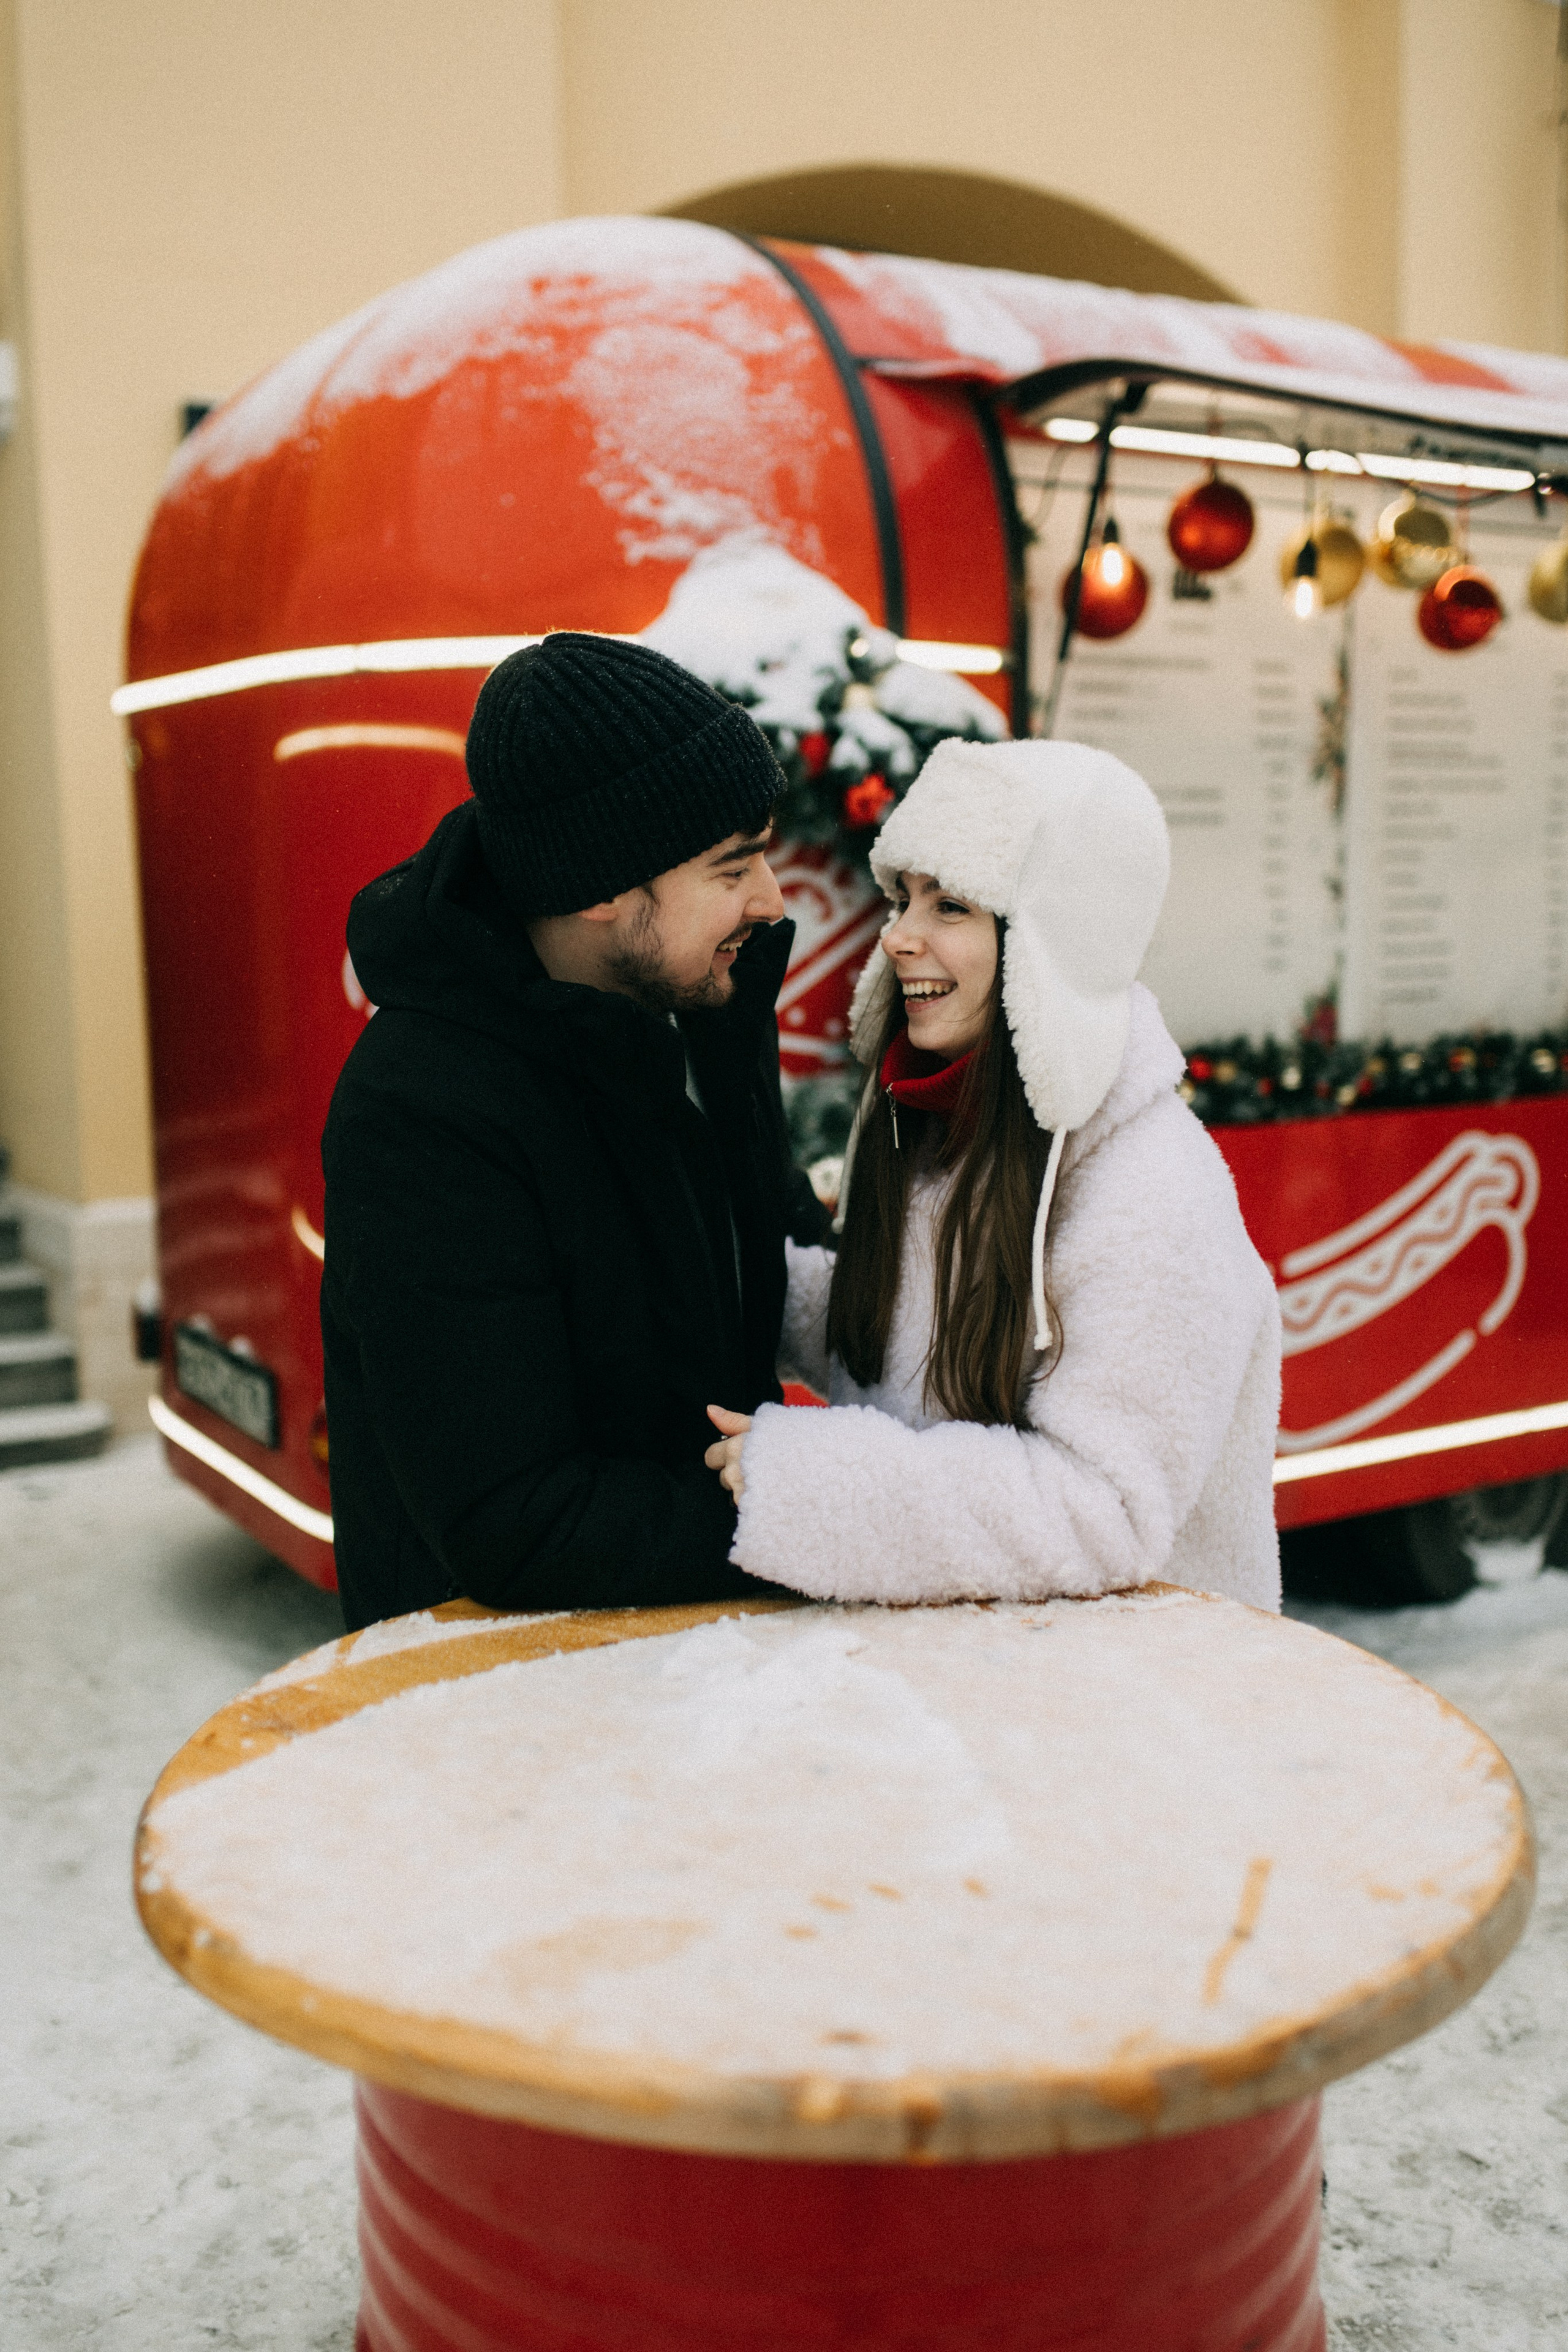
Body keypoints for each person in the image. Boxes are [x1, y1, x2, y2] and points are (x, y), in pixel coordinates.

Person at [321, 633, 826, 1631]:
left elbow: (761, 1262)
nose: (771, 903)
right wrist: (817, 1516)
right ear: (598, 888)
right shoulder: (423, 1111)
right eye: (732, 867)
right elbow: (514, 1519)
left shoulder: (694, 1010)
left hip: (691, 1646)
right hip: (507, 1705)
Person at [705, 737, 1283, 1610]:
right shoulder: (937, 1125)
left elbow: (1105, 1509)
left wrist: (818, 1482)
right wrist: (724, 1278)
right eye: (903, 897)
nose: (899, 936)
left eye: (952, 905)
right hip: (991, 1697)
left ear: (1050, 939)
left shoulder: (1153, 1189)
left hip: (1141, 1713)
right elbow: (899, 1346)